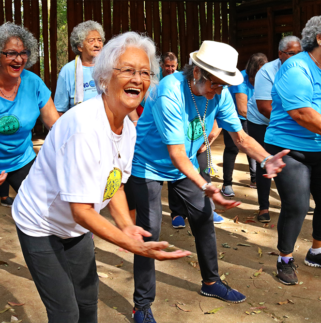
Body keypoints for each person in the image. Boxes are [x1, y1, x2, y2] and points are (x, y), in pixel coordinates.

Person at [12, 32, 190, 323]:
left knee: (87, 299)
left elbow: (114, 183)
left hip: (74, 226)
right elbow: (81, 211)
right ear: (105, 77)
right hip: (40, 224)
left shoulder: (128, 130)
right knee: (66, 312)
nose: (138, 79)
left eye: (145, 73)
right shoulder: (84, 127)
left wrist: (126, 225)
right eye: (128, 70)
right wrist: (128, 242)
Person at [129, 40, 288, 323]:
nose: (219, 91)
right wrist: (205, 185)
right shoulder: (169, 93)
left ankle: (211, 282)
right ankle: (141, 304)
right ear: (197, 74)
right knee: (149, 232)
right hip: (147, 166)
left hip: (183, 165)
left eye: (223, 86)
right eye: (215, 84)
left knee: (203, 217)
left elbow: (239, 137)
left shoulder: (219, 93)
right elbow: (176, 152)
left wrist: (265, 159)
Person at [263, 15, 321, 285]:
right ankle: (284, 258)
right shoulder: (296, 68)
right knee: (297, 205)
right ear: (320, 37)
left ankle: (317, 251)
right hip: (289, 149)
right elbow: (302, 113)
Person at [247, 35, 302, 223]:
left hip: (288, 121)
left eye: (300, 53)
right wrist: (295, 121)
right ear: (280, 54)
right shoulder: (267, 71)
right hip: (261, 121)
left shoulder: (305, 69)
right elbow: (264, 107)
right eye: (291, 53)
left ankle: (294, 202)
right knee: (267, 161)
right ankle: (263, 207)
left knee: (290, 162)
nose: (297, 57)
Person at [0, 22, 59, 193]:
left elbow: (56, 125)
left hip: (22, 160)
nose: (18, 59)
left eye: (23, 53)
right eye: (11, 53)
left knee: (37, 210)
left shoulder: (33, 83)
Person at [221, 53, 267, 197]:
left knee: (255, 145)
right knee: (232, 148)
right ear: (252, 70)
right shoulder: (240, 80)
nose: (263, 73)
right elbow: (242, 109)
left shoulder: (265, 79)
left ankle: (254, 179)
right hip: (234, 116)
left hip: (253, 116)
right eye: (260, 70)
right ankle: (227, 183)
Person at [54, 20, 104, 115]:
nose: (97, 44)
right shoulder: (68, 70)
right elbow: (60, 110)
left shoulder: (110, 67)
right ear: (79, 47)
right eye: (91, 41)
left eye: (100, 40)